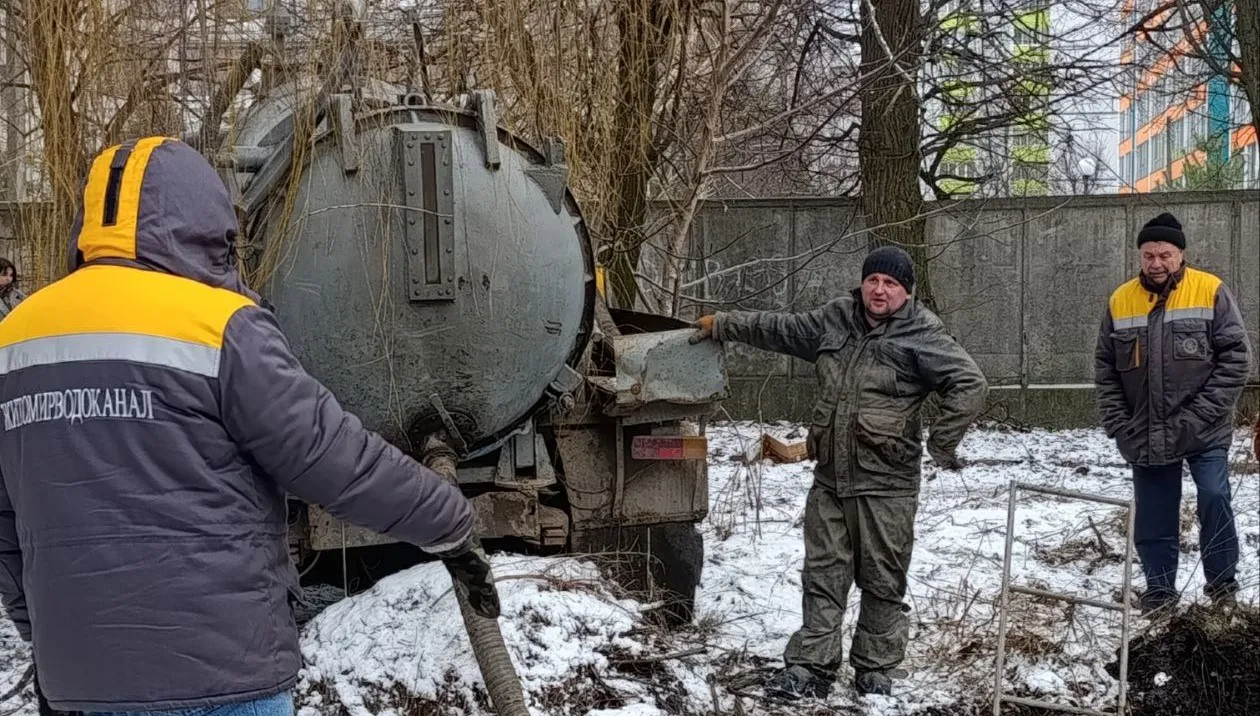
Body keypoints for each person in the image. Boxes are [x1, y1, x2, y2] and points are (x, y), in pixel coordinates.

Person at [0, 137, 498, 716]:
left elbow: (5, 524)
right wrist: (450, 524)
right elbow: (334, 458)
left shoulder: (15, 337)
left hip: (80, 686)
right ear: (207, 226)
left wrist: (53, 637)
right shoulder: (220, 326)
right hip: (223, 676)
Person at [690, 246, 988, 699]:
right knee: (823, 574)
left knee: (883, 577)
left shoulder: (923, 333)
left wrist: (942, 443)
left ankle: (875, 668)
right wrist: (725, 324)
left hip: (886, 483)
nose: (880, 290)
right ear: (862, 283)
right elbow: (782, 329)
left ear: (907, 292)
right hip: (830, 478)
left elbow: (969, 384)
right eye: (873, 280)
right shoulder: (835, 319)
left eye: (891, 283)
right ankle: (812, 665)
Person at [1095, 212, 1253, 615]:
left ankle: (1222, 588)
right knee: (1154, 512)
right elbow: (1106, 369)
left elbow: (1235, 359)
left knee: (1214, 497)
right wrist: (1118, 424)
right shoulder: (1121, 300)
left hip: (1205, 427)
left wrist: (1199, 416)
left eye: (1164, 254)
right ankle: (1160, 592)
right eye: (1148, 255)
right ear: (1139, 256)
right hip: (1146, 430)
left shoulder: (1210, 290)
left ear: (1180, 254)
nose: (1156, 263)